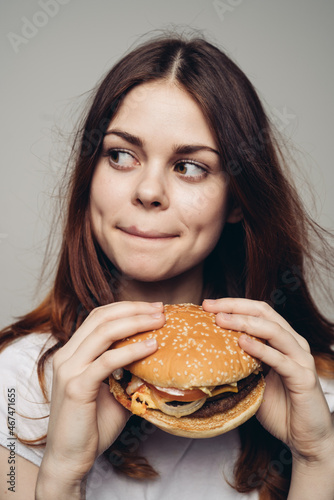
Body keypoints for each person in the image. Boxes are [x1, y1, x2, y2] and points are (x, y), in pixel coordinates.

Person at [0, 32, 334, 500]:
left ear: (237, 199)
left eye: (190, 166)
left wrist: (318, 455)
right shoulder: (15, 385)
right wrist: (61, 475)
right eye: (120, 155)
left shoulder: (312, 386)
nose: (148, 190)